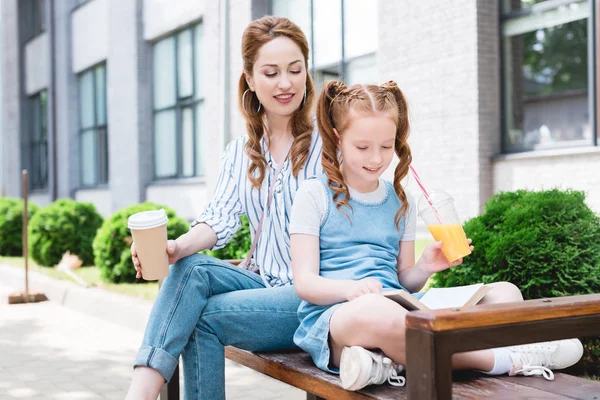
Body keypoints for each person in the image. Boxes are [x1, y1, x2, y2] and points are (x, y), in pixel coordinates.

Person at [289, 80, 584, 391]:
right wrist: (351, 289)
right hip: (339, 318)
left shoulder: (399, 201)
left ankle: (382, 363)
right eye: (362, 147)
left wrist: (425, 267)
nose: (376, 158)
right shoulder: (315, 194)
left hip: (400, 309)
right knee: (380, 312)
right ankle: (507, 360)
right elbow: (305, 284)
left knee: (504, 293)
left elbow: (403, 283)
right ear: (338, 137)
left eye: (387, 146)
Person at [125, 16, 322, 400]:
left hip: (311, 292)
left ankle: (140, 394)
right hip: (262, 280)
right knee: (189, 266)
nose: (286, 83)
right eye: (271, 72)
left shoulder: (326, 145)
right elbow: (219, 219)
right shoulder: (241, 152)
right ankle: (143, 389)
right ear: (249, 79)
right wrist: (176, 247)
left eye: (295, 70)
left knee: (198, 317)